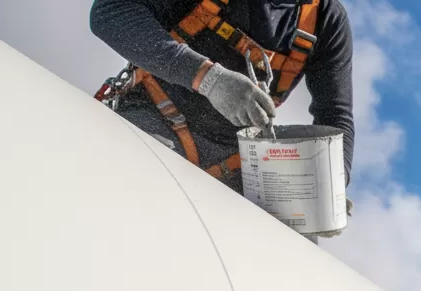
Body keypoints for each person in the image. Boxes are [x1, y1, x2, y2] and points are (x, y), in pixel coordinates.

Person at [90, 0, 354, 193]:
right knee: (137, 186)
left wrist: (333, 181)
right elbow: (110, 12)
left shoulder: (326, 22)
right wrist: (209, 80)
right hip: (155, 115)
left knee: (299, 239)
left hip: (238, 164)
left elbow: (335, 116)